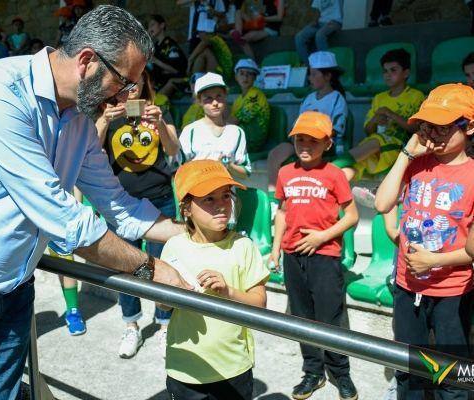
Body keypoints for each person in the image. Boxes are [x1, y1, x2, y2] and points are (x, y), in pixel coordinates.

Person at [0, 6, 193, 399]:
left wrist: (193, 234)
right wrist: (149, 267)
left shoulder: (77, 119)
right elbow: (67, 221)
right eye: (124, 83)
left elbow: (119, 206)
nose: (128, 96)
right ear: (87, 61)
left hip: (14, 292)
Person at [376, 83, 474, 400]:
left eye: (444, 127)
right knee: (409, 369)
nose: (435, 134)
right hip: (408, 286)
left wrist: (434, 261)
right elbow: (382, 204)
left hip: (452, 291)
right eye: (429, 126)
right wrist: (407, 151)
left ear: (469, 126)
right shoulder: (417, 164)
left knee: (456, 375)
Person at [160, 159, 269, 400]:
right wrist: (171, 293)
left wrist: (228, 291)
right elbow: (162, 305)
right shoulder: (173, 247)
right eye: (209, 198)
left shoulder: (243, 246)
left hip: (233, 367)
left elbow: (260, 304)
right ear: (186, 208)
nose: (221, 205)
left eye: (225, 196)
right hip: (185, 366)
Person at [269, 111, 359, 400]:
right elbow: (282, 213)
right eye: (300, 140)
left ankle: (340, 373)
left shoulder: (334, 175)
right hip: (292, 255)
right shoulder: (285, 173)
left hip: (325, 255)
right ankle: (312, 372)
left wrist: (322, 236)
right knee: (302, 316)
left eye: (313, 141)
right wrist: (275, 249)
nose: (305, 146)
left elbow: (352, 217)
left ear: (328, 144)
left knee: (331, 317)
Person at [96, 70, 179, 358]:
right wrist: (105, 120)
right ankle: (131, 325)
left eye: (137, 82)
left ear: (145, 83)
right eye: (126, 83)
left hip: (159, 199)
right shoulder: (108, 113)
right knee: (126, 267)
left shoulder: (158, 110)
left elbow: (172, 151)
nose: (131, 88)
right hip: (120, 203)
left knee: (160, 264)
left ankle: (165, 322)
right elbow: (91, 149)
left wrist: (161, 123)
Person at [333, 48, 424, 205]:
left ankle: (331, 167)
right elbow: (368, 131)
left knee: (375, 141)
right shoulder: (379, 98)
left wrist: (391, 114)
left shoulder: (416, 96)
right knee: (355, 166)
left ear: (406, 73)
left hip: (401, 149)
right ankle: (331, 190)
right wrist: (375, 120)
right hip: (378, 149)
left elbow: (416, 129)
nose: (388, 74)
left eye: (393, 70)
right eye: (385, 71)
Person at [267, 51, 347, 197]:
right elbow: (298, 123)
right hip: (301, 140)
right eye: (310, 74)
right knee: (275, 154)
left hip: (321, 143)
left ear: (328, 76)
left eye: (314, 74)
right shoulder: (308, 98)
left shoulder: (337, 98)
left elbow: (337, 129)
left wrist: (315, 134)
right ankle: (273, 198)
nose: (310, 78)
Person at [180, 72, 252, 179]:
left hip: (226, 192)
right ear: (199, 101)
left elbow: (245, 173)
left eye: (219, 96)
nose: (215, 103)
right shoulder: (190, 130)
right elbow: (179, 167)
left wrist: (229, 165)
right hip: (198, 191)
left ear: (225, 97)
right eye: (208, 98)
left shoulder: (236, 132)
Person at [230, 58, 270, 152]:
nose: (245, 77)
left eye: (250, 74)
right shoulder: (238, 99)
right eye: (242, 73)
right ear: (236, 77)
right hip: (241, 139)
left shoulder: (255, 94)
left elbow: (234, 121)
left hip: (252, 142)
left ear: (255, 77)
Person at [147, 14, 188, 96]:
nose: (150, 29)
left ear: (162, 25)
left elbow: (177, 71)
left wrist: (155, 61)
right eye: (149, 27)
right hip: (156, 85)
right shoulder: (155, 46)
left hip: (168, 84)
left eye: (152, 25)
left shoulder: (170, 45)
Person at [295, 0, 343, 65]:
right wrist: (315, 20)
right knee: (299, 37)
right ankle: (310, 67)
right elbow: (316, 10)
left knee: (320, 35)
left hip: (335, 21)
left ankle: (327, 67)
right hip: (321, 22)